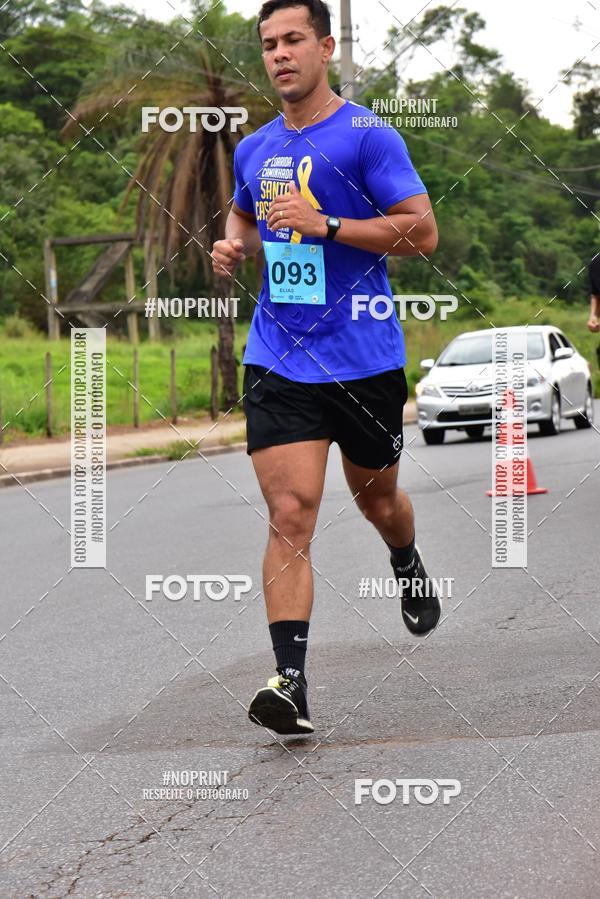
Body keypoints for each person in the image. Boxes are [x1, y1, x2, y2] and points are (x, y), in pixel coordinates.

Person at [210, 0, 440, 736]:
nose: (279, 54)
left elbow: (421, 232)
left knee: (379, 500)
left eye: (293, 40)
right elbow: (244, 215)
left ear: (326, 46)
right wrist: (232, 244)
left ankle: (404, 555)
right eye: (268, 44)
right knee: (290, 512)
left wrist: (329, 224)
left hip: (364, 355)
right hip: (279, 351)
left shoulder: (367, 135)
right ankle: (292, 683)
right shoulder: (255, 149)